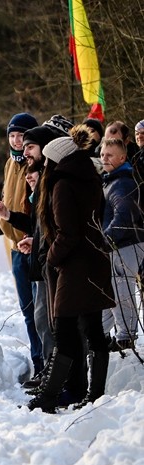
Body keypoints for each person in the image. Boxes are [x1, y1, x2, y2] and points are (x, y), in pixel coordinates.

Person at [27, 126, 115, 413]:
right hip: (95, 261)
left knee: (64, 328)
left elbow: (67, 233)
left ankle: (50, 397)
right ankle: (95, 395)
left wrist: (51, 258)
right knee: (92, 330)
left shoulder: (62, 184)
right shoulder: (90, 178)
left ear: (54, 160)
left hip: (74, 266)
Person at [0, 112, 44, 379]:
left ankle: (47, 363)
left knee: (40, 312)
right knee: (27, 311)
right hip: (14, 246)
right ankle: (38, 363)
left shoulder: (34, 163)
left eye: (21, 136)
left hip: (33, 244)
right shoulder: (9, 164)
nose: (15, 141)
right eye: (12, 136)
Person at [99, 137, 144, 352]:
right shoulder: (110, 180)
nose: (104, 158)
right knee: (111, 290)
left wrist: (104, 241)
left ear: (122, 157)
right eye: (102, 155)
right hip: (117, 245)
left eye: (109, 155)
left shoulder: (123, 182)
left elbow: (123, 217)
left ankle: (126, 337)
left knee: (121, 290)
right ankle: (103, 332)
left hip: (126, 245)